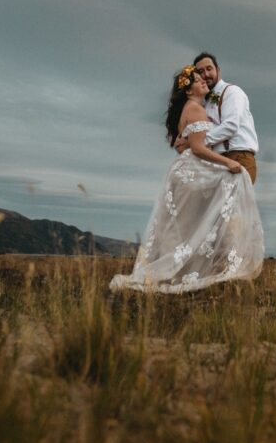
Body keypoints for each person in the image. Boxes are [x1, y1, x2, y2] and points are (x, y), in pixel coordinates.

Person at [110, 65, 264, 293]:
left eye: (205, 75)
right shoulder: (196, 110)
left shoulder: (203, 104)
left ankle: (187, 269)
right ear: (189, 91)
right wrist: (228, 163)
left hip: (186, 170)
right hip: (192, 171)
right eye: (197, 79)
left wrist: (191, 142)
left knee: (188, 225)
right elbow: (199, 149)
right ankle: (203, 270)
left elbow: (197, 143)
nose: (203, 80)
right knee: (199, 221)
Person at [173, 52, 259, 183]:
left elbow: (231, 125)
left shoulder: (232, 92)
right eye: (201, 71)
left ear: (218, 70)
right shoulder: (202, 102)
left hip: (238, 156)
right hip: (216, 161)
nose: (206, 75)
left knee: (234, 203)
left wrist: (195, 143)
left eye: (209, 69)